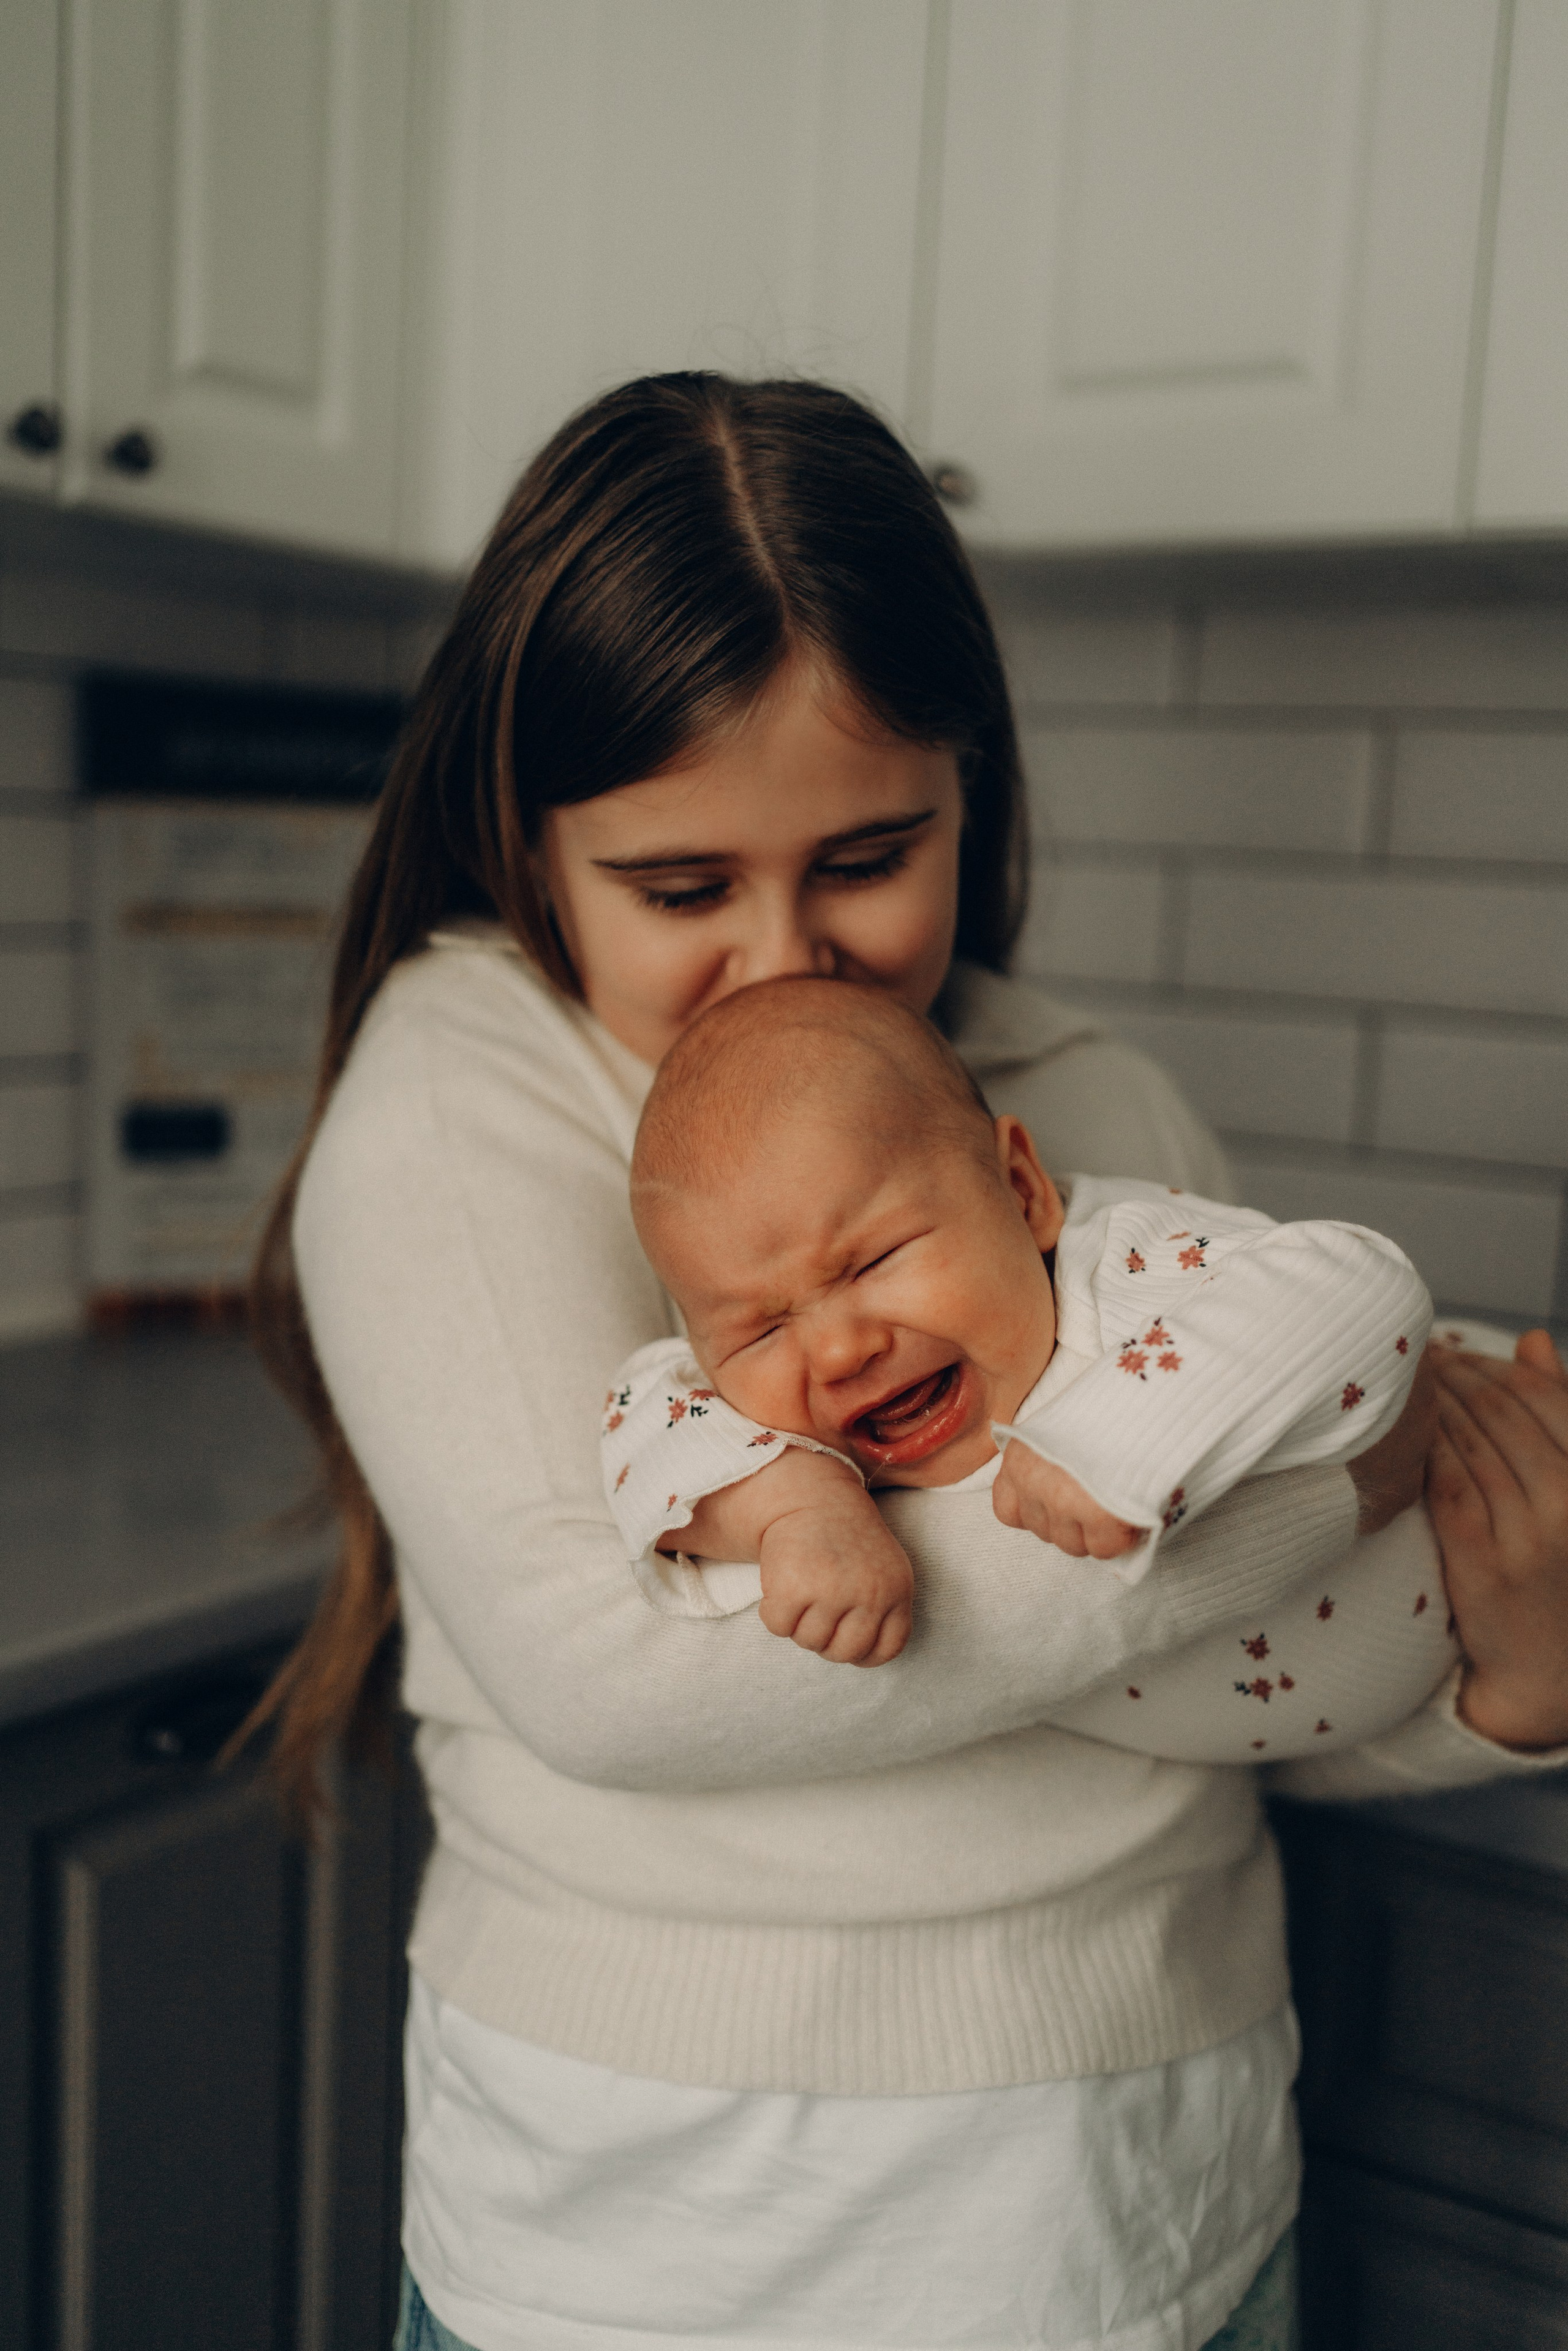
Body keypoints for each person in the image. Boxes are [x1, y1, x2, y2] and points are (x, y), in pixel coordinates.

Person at [244, 374, 1568, 2351]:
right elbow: (622, 1674)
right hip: (664, 2222)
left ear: (973, 789)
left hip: (1152, 2188)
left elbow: (1241, 1673)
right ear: (528, 841)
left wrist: (1506, 1675)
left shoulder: (1091, 1092)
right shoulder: (465, 1100)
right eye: (680, 887)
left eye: (870, 852)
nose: (784, 961)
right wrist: (1348, 1454)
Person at [599, 975, 1458, 1766]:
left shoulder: (1120, 1267)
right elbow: (643, 1408)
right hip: (1425, 1700)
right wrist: (794, 1507)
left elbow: (1357, 1279)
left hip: (1486, 1484)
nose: (836, 1348)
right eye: (760, 1328)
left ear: (1021, 1190)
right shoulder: (759, 1417)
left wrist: (1118, 1435)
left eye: (874, 1261)